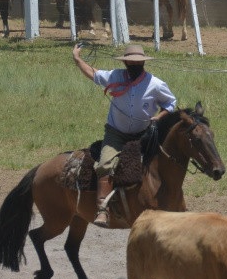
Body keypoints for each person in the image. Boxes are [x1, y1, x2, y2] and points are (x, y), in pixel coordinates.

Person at [72, 44, 177, 228]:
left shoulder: (155, 84)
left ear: (143, 63)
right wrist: (77, 59)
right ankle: (102, 209)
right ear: (126, 62)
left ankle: (168, 201)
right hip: (116, 134)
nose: (135, 64)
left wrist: (158, 117)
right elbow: (93, 74)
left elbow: (170, 103)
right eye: (131, 61)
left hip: (143, 134)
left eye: (138, 62)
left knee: (159, 163)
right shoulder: (115, 76)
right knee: (105, 164)